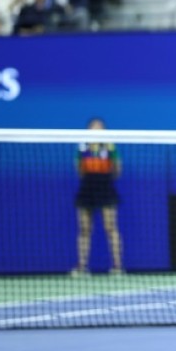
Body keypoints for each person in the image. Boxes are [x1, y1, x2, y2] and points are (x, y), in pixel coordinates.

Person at [72, 117, 124, 277]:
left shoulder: (110, 147)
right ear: (88, 130)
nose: (97, 130)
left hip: (106, 189)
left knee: (111, 228)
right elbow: (78, 170)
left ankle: (117, 266)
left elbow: (117, 169)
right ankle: (82, 266)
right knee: (84, 229)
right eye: (93, 127)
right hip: (87, 189)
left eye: (100, 127)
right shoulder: (82, 148)